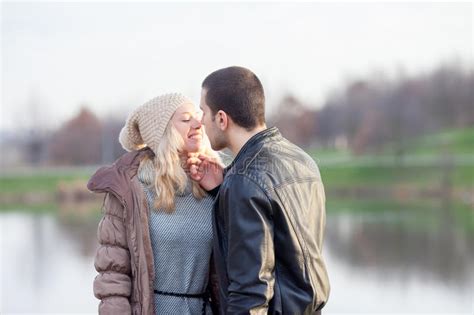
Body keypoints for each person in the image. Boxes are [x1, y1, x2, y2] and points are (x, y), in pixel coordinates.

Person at [189, 66, 330, 314]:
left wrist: (232, 187)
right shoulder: (303, 160)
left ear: (222, 119)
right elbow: (287, 245)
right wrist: (222, 191)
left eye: (203, 111)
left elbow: (251, 294)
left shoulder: (244, 180)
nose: (200, 121)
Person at [87, 93, 220, 315]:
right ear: (163, 133)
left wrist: (221, 189)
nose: (198, 123)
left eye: (198, 117)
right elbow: (112, 277)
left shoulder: (217, 184)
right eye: (186, 119)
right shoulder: (131, 191)